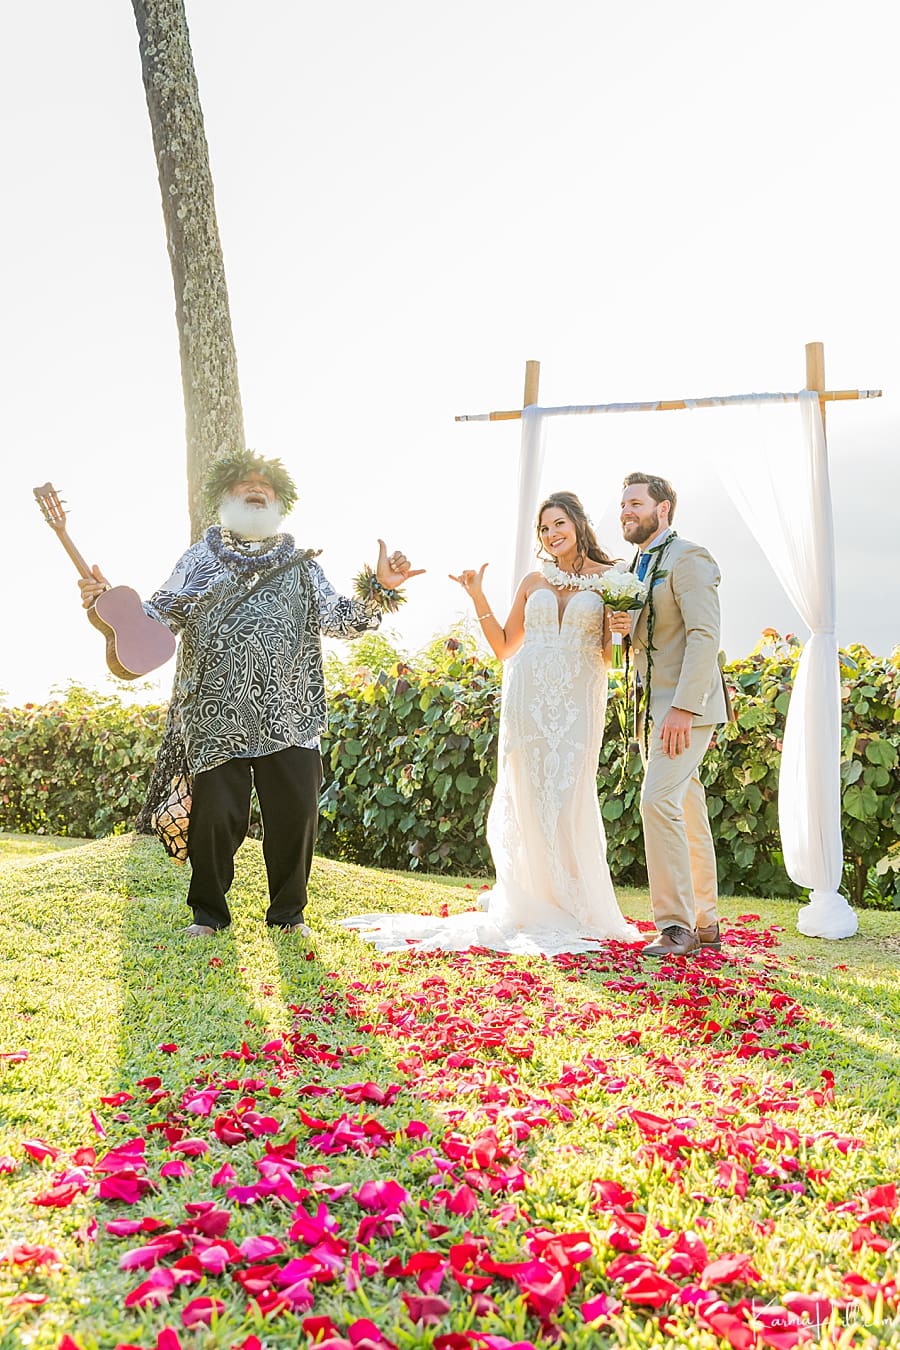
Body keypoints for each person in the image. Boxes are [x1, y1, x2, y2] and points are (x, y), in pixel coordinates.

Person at [78, 449, 421, 938]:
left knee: (295, 819)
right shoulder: (198, 559)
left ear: (280, 502)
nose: (257, 488)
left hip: (291, 713)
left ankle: (289, 916)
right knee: (215, 820)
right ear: (225, 497)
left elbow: (342, 620)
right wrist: (108, 604)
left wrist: (379, 588)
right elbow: (155, 620)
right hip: (216, 714)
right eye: (245, 483)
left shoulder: (303, 566)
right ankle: (208, 916)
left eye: (267, 485)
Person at [343, 491, 639, 955]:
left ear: (578, 523)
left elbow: (609, 659)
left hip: (578, 699)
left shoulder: (613, 578)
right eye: (544, 529)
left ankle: (575, 897)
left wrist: (621, 633)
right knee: (529, 793)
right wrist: (478, 595)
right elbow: (504, 647)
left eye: (558, 524)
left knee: (568, 793)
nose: (551, 534)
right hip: (527, 699)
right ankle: (531, 895)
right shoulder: (533, 580)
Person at [608, 472, 729, 959]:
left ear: (663, 509)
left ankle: (676, 925)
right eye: (622, 505)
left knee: (656, 802)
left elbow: (704, 634)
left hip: (684, 709)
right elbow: (646, 640)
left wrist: (682, 707)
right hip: (650, 710)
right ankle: (706, 922)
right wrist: (624, 627)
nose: (625, 512)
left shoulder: (689, 557)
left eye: (635, 503)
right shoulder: (634, 566)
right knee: (686, 809)